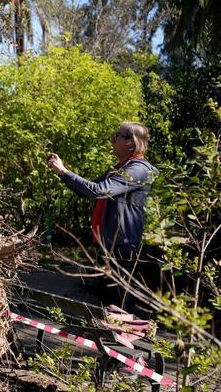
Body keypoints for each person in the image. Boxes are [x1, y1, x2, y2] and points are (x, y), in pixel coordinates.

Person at [46, 122, 159, 314]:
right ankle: (111, 336)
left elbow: (99, 191)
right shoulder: (120, 167)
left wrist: (65, 171)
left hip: (122, 245)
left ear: (131, 143)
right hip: (106, 242)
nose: (112, 139)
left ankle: (124, 338)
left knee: (120, 301)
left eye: (117, 136)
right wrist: (62, 173)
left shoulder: (138, 170)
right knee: (107, 298)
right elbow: (88, 191)